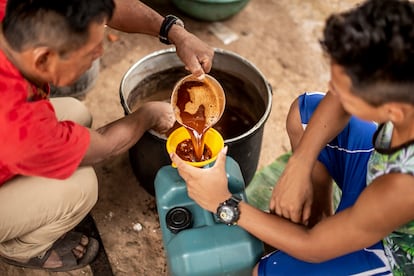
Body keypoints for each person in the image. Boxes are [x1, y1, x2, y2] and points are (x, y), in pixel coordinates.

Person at [171, 0, 414, 274]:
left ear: (391, 111)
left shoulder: (402, 187)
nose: (332, 90)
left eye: (343, 91)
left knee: (266, 271)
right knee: (305, 114)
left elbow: (314, 248)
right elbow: (334, 101)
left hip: (396, 251)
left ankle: (336, 236)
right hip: (376, 184)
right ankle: (321, 216)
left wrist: (223, 203)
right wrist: (300, 164)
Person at [0, 0, 213, 272]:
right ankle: (19, 248)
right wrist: (147, 115)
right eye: (89, 51)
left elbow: (109, 5)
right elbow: (104, 147)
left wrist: (176, 33)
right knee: (81, 187)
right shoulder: (19, 120)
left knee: (75, 113)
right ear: (43, 58)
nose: (100, 52)